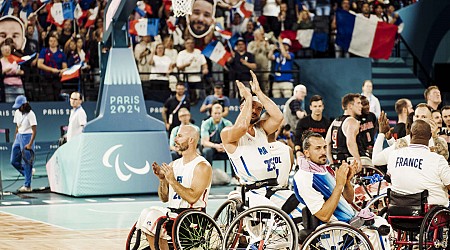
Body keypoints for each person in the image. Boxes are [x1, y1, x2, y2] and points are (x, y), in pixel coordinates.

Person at [221, 70, 303, 223]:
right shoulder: (227, 133)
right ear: (241, 108)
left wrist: (258, 92)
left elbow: (278, 117)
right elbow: (242, 127)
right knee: (285, 219)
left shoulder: (261, 130)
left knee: (304, 211)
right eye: (251, 107)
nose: (255, 110)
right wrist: (247, 98)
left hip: (272, 188)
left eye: (259, 108)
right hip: (254, 192)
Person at [293, 132, 391, 249]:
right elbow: (324, 216)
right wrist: (339, 184)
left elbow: (348, 199)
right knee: (377, 232)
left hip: (351, 222)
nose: (324, 152)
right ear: (307, 153)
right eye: (318, 148)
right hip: (335, 231)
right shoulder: (304, 178)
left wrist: (347, 181)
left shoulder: (324, 169)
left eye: (324, 147)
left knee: (383, 223)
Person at [136, 125, 212, 250]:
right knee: (146, 213)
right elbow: (164, 198)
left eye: (180, 136)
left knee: (155, 217)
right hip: (173, 215)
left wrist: (172, 180)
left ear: (191, 140)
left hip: (191, 218)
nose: (175, 140)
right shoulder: (174, 164)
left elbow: (192, 198)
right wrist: (162, 180)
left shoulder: (202, 166)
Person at [387, 120, 450, 207]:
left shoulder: (394, 155)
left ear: (411, 135)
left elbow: (390, 179)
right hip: (431, 212)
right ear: (430, 136)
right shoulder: (437, 159)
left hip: (397, 209)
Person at [373, 104, 449, 166]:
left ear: (431, 119)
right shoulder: (403, 142)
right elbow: (376, 160)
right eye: (417, 116)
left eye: (424, 117)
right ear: (413, 118)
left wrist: (435, 137)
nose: (419, 119)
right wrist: (381, 134)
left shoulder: (439, 142)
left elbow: (444, 161)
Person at [326, 93, 365, 169]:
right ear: (350, 106)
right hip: (348, 164)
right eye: (358, 103)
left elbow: (327, 142)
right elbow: (350, 143)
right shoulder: (352, 121)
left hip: (336, 163)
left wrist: (331, 162)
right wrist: (358, 160)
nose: (361, 106)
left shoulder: (335, 121)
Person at [11, 95, 37, 193]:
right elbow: (17, 126)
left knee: (27, 162)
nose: (18, 108)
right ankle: (28, 174)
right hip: (19, 136)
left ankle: (27, 186)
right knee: (13, 161)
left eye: (20, 106)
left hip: (28, 137)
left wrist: (30, 143)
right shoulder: (17, 112)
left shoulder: (31, 114)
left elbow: (34, 131)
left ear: (24, 105)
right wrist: (16, 138)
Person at [176, 38, 208, 105]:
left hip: (197, 78)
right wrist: (186, 65)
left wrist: (205, 69)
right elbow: (179, 67)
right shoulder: (181, 54)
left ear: (194, 44)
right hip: (185, 79)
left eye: (191, 43)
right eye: (188, 43)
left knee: (200, 95)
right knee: (187, 96)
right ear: (185, 45)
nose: (190, 45)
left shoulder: (198, 52)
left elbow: (204, 64)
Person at [37, 34, 68, 101]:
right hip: (46, 77)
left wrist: (62, 71)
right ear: (48, 42)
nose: (52, 42)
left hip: (57, 78)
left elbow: (65, 67)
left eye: (54, 41)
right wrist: (51, 70)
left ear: (57, 42)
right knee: (49, 96)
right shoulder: (44, 51)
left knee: (57, 96)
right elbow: (39, 64)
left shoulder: (61, 54)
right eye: (51, 41)